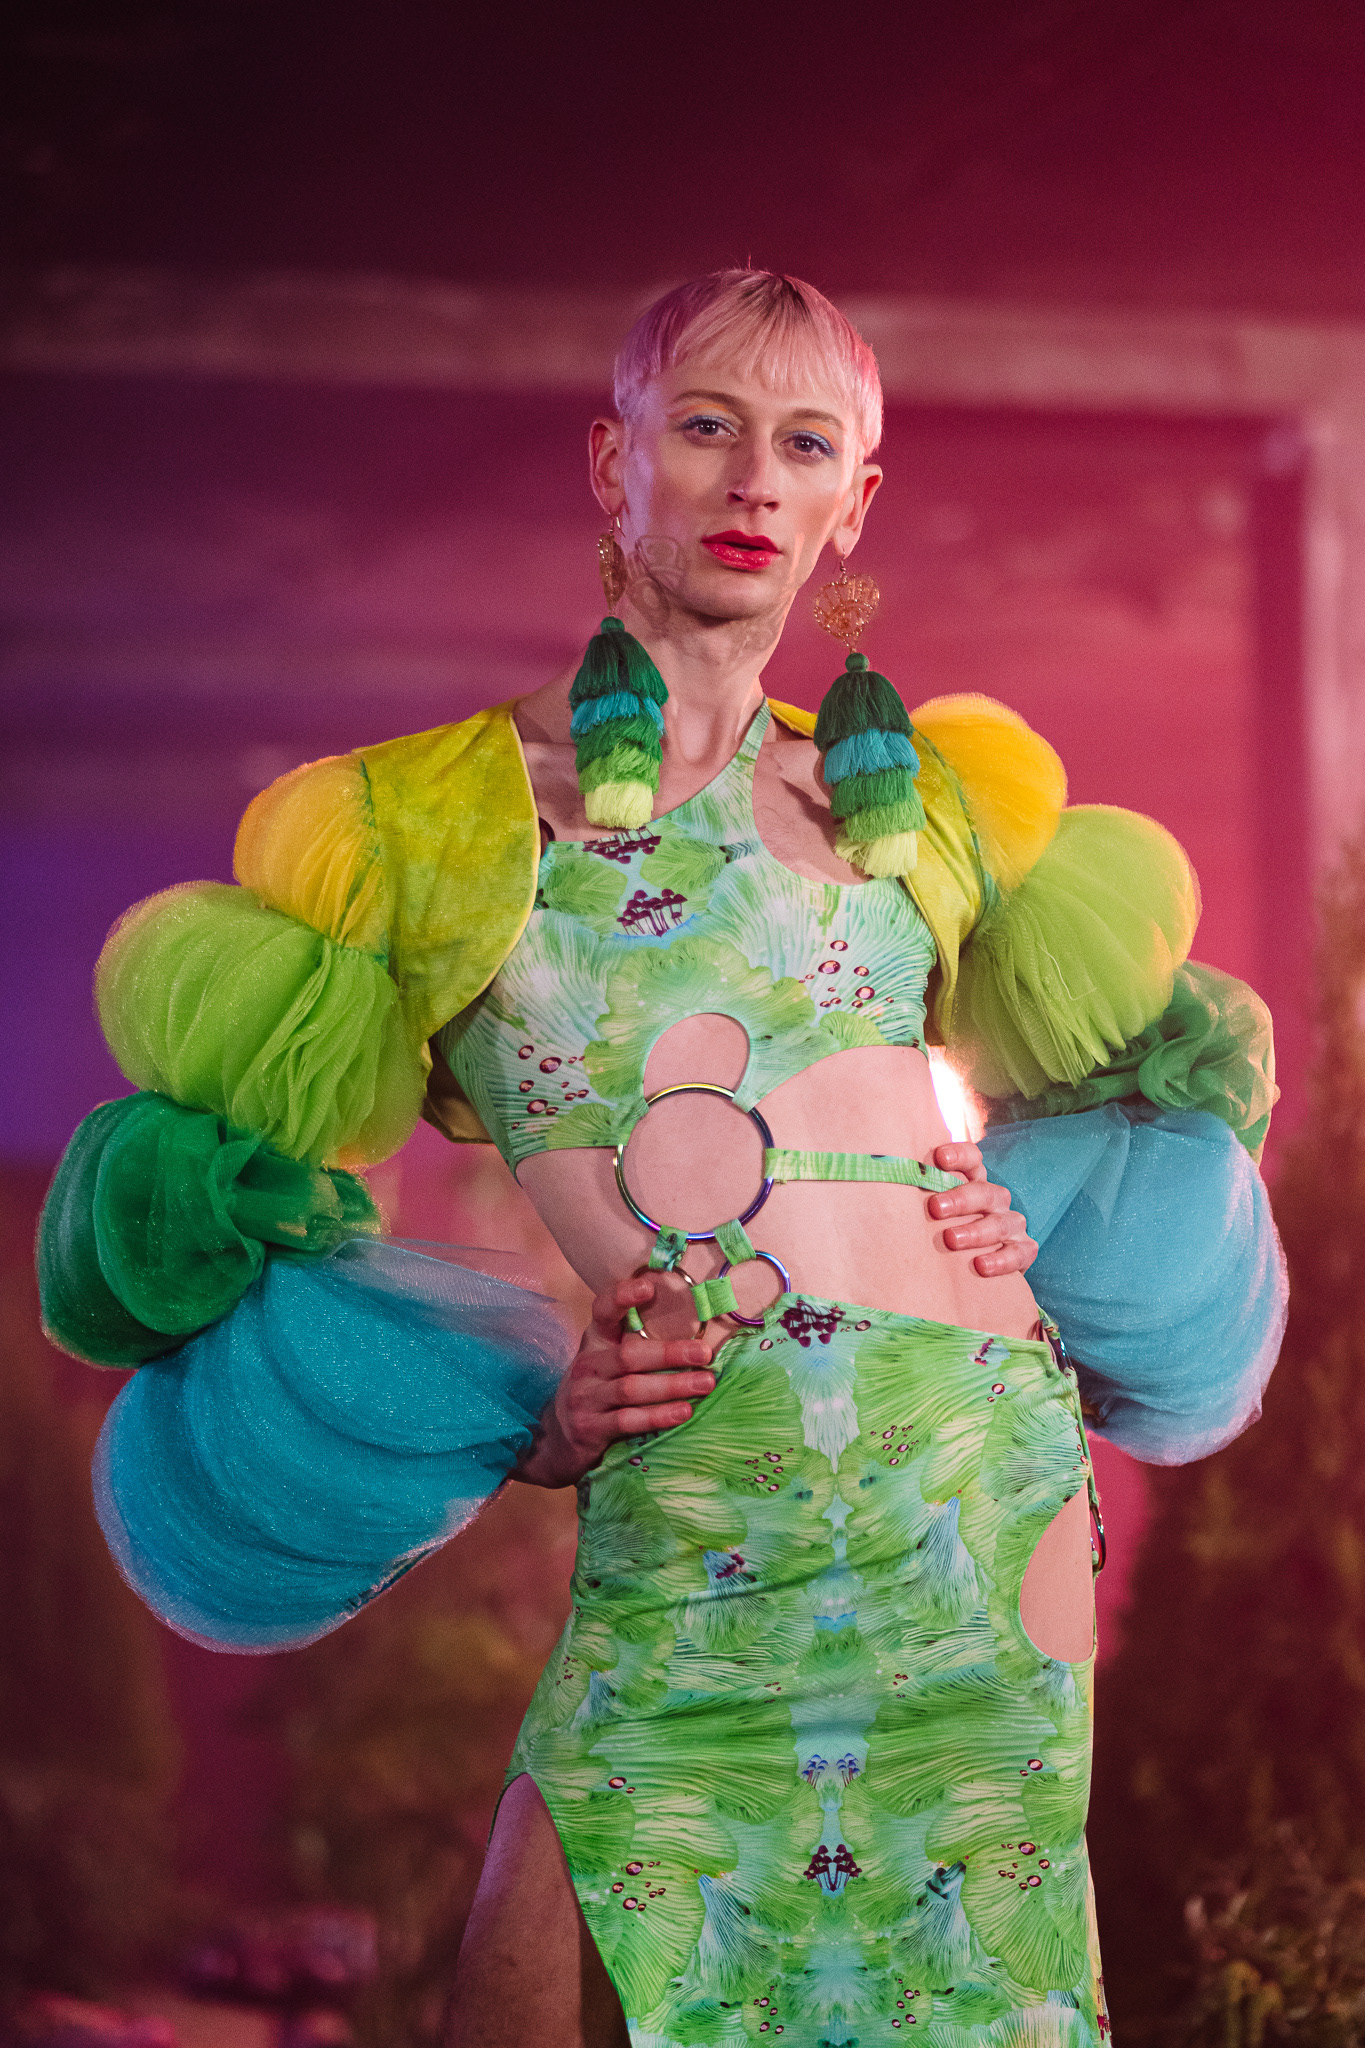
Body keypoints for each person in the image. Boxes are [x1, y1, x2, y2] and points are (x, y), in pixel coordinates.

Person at [39, 272, 1285, 2046]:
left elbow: (1103, 1072)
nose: (753, 480)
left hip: (973, 1491)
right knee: (533, 1969)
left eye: (805, 446)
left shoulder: (912, 801)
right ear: (611, 461)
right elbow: (223, 1183)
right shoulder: (416, 825)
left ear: (854, 502)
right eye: (705, 427)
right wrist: (536, 1418)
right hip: (701, 1486)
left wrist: (1019, 1213)